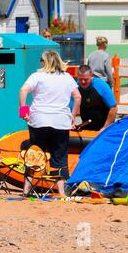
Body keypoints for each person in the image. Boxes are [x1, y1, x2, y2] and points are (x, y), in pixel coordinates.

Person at [19, 50, 81, 197]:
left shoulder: (37, 76)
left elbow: (23, 90)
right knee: (59, 156)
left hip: (39, 120)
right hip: (61, 121)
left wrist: (23, 111)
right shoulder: (67, 77)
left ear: (44, 62)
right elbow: (77, 97)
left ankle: (26, 190)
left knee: (35, 154)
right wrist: (73, 116)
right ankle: (61, 192)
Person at [75, 65, 117, 131]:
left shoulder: (102, 86)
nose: (83, 82)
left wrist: (105, 128)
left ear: (92, 76)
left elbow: (114, 108)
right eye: (80, 79)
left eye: (86, 79)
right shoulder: (76, 86)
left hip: (103, 126)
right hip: (86, 124)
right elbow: (70, 106)